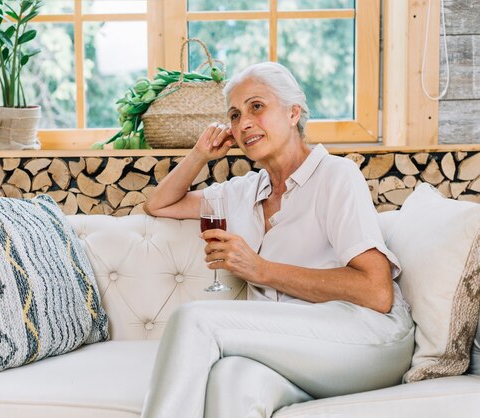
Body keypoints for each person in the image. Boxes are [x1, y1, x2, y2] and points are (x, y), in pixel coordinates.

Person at [140, 62, 414, 418]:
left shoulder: (335, 176)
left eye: (257, 107)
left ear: (292, 113)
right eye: (235, 116)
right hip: (295, 349)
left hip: (367, 338)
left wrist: (260, 269)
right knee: (232, 380)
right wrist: (200, 154)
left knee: (195, 320)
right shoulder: (245, 191)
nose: (243, 123)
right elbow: (160, 204)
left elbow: (376, 291)